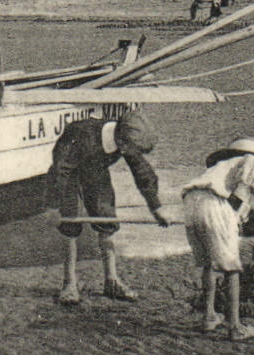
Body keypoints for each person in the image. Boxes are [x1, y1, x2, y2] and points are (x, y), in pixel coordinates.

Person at [50, 110, 172, 305]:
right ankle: (69, 284)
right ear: (122, 143)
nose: (134, 154)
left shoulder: (125, 139)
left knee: (107, 219)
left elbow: (142, 171)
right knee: (70, 223)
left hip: (95, 171)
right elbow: (61, 170)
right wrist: (57, 206)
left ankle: (111, 281)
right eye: (132, 150)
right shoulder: (82, 134)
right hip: (67, 173)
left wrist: (156, 207)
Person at [182, 137, 254, 337]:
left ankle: (209, 317)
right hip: (214, 203)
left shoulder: (223, 165)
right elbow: (238, 198)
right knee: (232, 267)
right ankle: (235, 327)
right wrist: (233, 222)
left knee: (208, 262)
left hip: (191, 202)